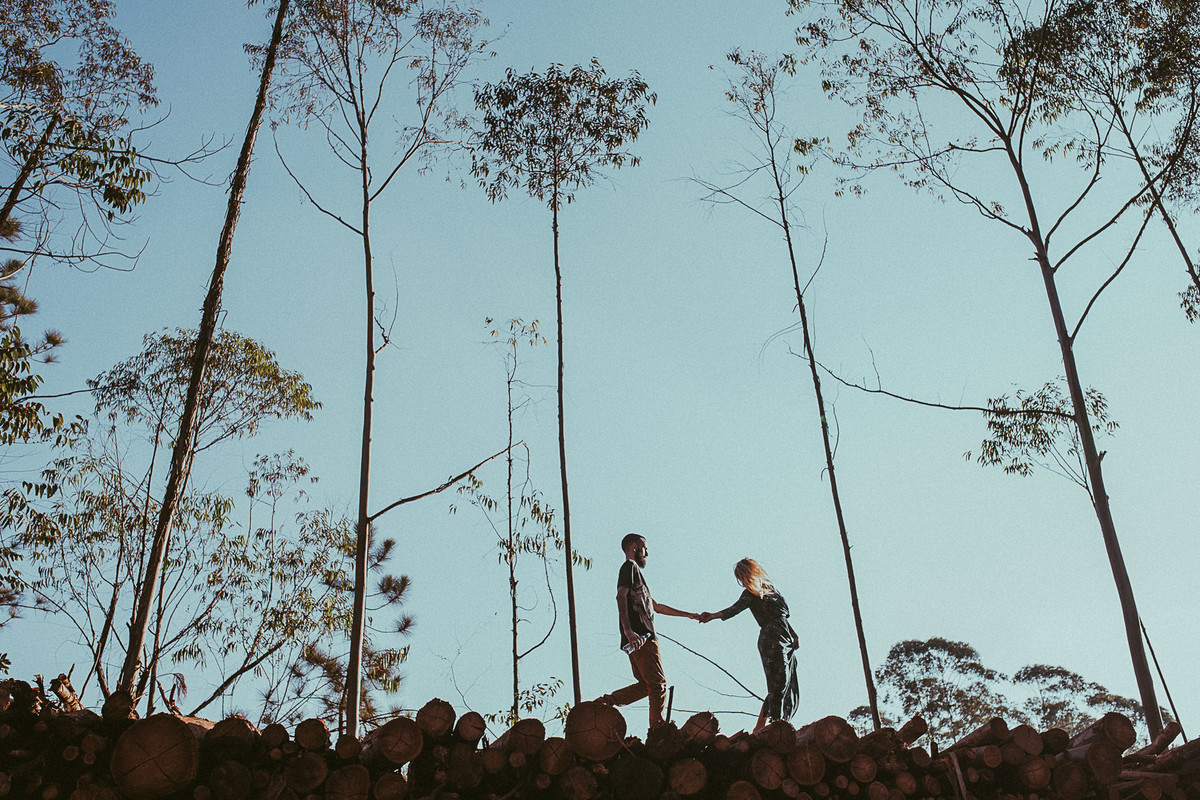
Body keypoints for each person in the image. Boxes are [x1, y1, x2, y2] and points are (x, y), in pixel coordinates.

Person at [596, 532, 699, 728]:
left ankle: (604, 703)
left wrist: (688, 615)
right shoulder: (630, 567)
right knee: (658, 686)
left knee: (645, 685)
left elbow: (656, 606)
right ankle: (657, 730)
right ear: (634, 548)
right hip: (641, 637)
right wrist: (628, 631)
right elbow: (620, 596)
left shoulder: (637, 577)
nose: (647, 553)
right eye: (645, 549)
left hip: (636, 639)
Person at [699, 558, 799, 732]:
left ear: (753, 571)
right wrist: (713, 615)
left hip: (785, 637)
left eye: (744, 574)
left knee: (788, 683)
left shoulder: (771, 589)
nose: (743, 579)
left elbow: (782, 616)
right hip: (771, 638)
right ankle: (776, 723)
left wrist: (794, 634)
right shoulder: (750, 594)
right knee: (779, 682)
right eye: (740, 577)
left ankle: (764, 726)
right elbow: (733, 609)